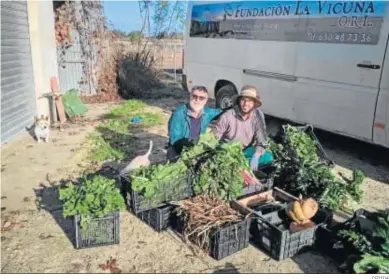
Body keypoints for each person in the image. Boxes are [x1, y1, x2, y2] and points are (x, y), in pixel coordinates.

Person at [211, 85, 273, 171]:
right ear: (239, 101)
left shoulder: (258, 115)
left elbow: (261, 140)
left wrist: (255, 156)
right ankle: (237, 168)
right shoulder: (228, 116)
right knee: (226, 166)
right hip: (227, 152)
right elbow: (213, 138)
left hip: (246, 150)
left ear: (254, 103)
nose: (245, 104)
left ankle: (243, 167)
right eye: (243, 100)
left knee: (268, 157)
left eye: (250, 101)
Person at [167, 85, 222, 160]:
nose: (197, 100)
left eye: (201, 98)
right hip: (178, 149)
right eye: (194, 96)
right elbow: (174, 139)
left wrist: (236, 106)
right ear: (190, 96)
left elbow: (221, 112)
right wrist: (189, 142)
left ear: (205, 101)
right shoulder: (178, 113)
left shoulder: (207, 112)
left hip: (197, 148)